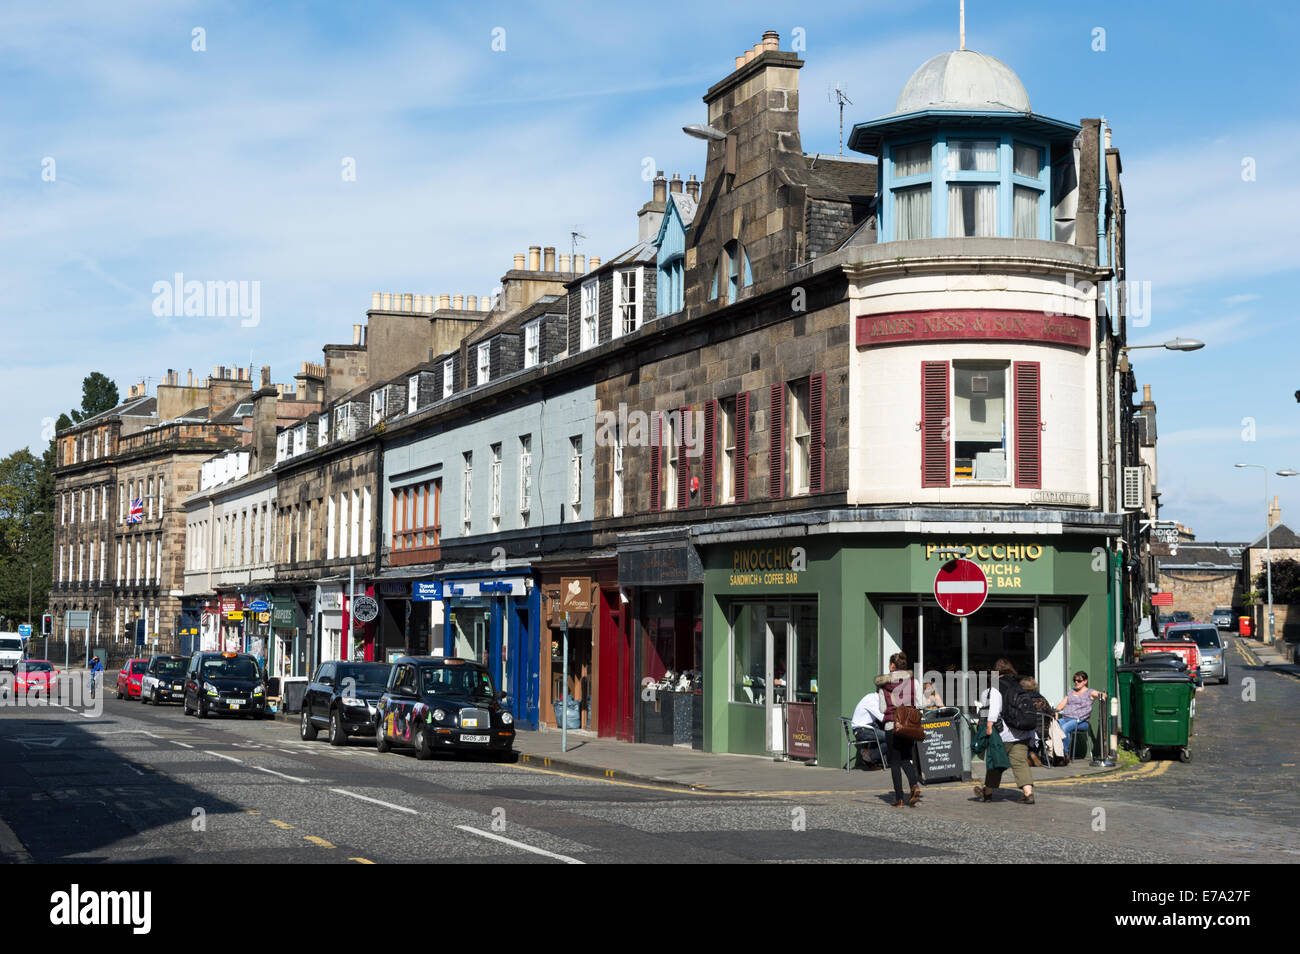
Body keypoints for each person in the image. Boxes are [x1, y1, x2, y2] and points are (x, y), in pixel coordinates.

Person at [974, 658, 1035, 804]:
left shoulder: (996, 687)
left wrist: (989, 727)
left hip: (1003, 734)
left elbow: (994, 709)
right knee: (1020, 762)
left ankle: (987, 793)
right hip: (1021, 732)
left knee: (996, 763)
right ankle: (1028, 793)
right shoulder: (1018, 684)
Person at [874, 652, 924, 807]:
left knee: (895, 762)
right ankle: (914, 785)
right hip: (908, 727)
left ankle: (899, 799)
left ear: (892, 666)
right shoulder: (913, 682)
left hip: (892, 726)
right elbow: (921, 704)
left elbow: (882, 709)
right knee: (906, 758)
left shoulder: (884, 686)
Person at [1055, 670, 1106, 761]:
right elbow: (1060, 706)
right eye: (1074, 680)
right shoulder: (1071, 692)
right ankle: (1055, 753)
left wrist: (1102, 695)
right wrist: (1055, 716)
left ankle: (1064, 755)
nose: (1076, 682)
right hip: (1066, 718)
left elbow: (1099, 694)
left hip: (1081, 721)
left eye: (1079, 680)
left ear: (1085, 681)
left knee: (1064, 728)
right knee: (1054, 727)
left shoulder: (1089, 692)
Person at [849, 689, 887, 770]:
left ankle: (870, 756)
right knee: (891, 738)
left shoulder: (873, 698)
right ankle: (870, 756)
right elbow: (883, 718)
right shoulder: (872, 700)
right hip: (862, 731)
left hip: (866, 728)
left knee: (885, 732)